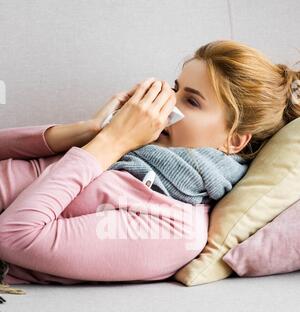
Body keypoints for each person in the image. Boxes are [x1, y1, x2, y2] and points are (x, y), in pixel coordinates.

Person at [0, 39, 299, 287]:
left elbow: (14, 236)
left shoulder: (175, 228)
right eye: (175, 89)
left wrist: (113, 141)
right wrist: (90, 129)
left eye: (191, 101)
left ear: (233, 141)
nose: (167, 105)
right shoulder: (125, 151)